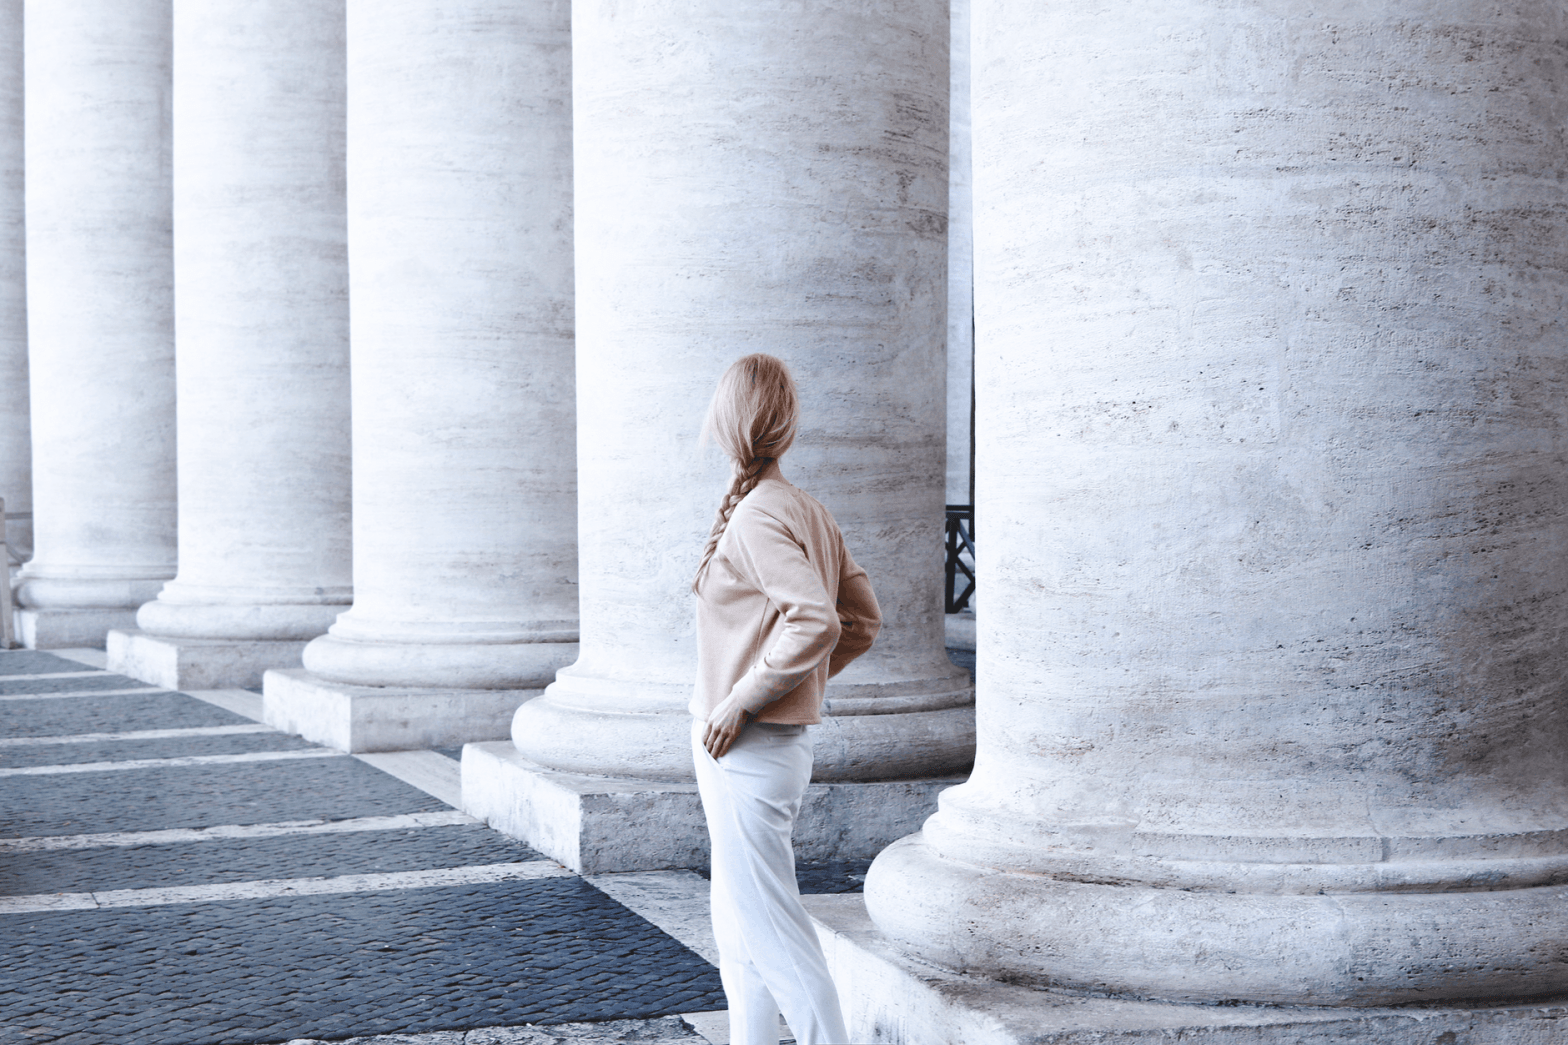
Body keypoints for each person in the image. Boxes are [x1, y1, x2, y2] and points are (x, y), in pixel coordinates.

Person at [689, 352, 882, 1045]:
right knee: (739, 929)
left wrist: (748, 696)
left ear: (728, 421)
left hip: (747, 745)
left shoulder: (757, 518)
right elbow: (863, 620)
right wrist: (799, 685)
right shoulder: (805, 509)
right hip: (752, 746)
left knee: (773, 936)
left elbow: (822, 621)